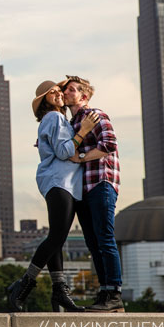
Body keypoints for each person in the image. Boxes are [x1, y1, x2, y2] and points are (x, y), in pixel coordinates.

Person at [7, 80, 100, 312]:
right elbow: (64, 151)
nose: (58, 93)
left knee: (57, 238)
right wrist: (85, 131)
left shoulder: (61, 121)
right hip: (59, 182)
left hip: (64, 183)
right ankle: (23, 285)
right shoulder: (54, 118)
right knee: (57, 237)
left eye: (59, 90)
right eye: (52, 93)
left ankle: (59, 291)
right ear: (43, 101)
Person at [61, 74, 124, 312]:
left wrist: (82, 157)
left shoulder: (95, 115)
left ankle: (114, 293)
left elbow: (109, 144)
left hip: (101, 183)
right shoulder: (72, 124)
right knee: (93, 242)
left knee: (105, 239)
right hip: (84, 189)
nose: (66, 93)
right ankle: (105, 292)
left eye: (71, 90)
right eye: (66, 90)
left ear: (84, 96)